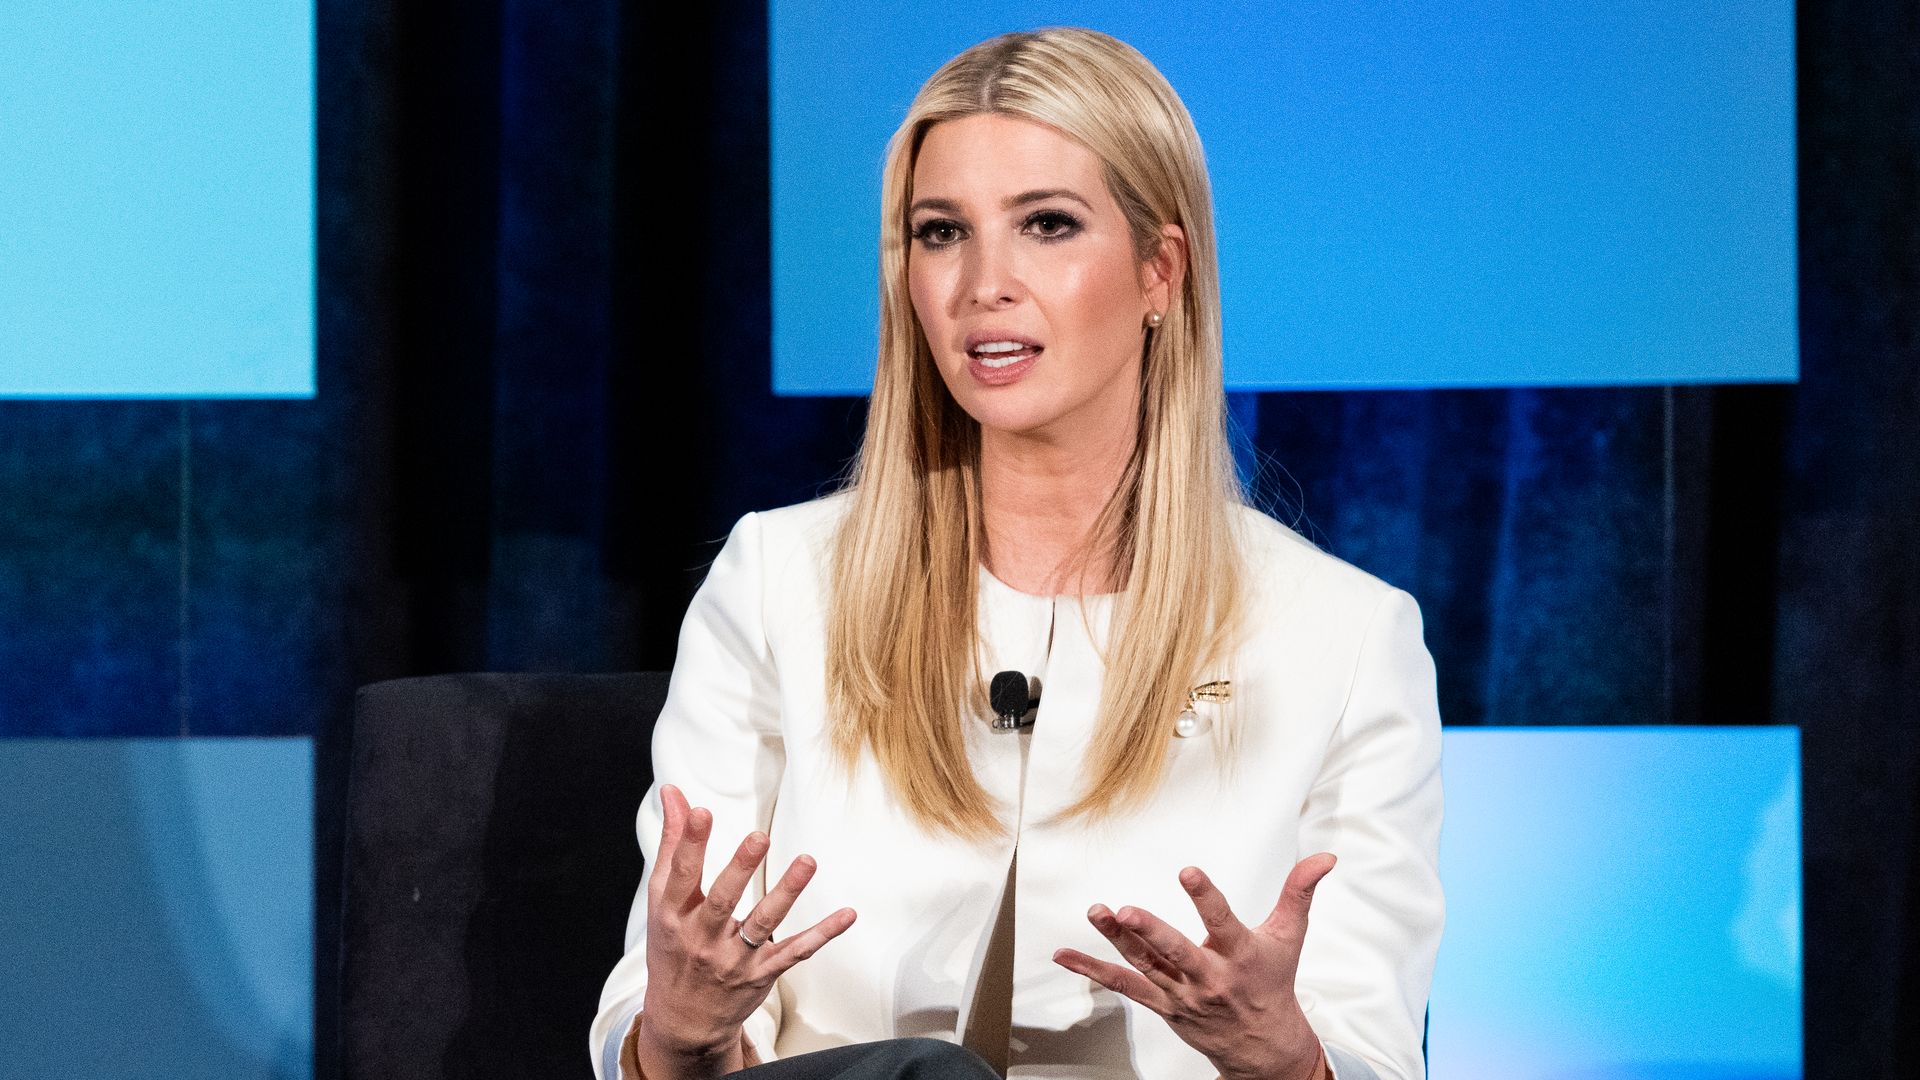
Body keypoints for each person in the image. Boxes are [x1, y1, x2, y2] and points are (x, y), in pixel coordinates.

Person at [592, 25, 1443, 1080]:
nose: (983, 282)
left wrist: (1281, 1057)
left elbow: (1368, 1051)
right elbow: (656, 1015)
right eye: (941, 233)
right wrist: (681, 1030)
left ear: (1159, 273)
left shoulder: (1347, 637)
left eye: (1047, 224)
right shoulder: (776, 583)